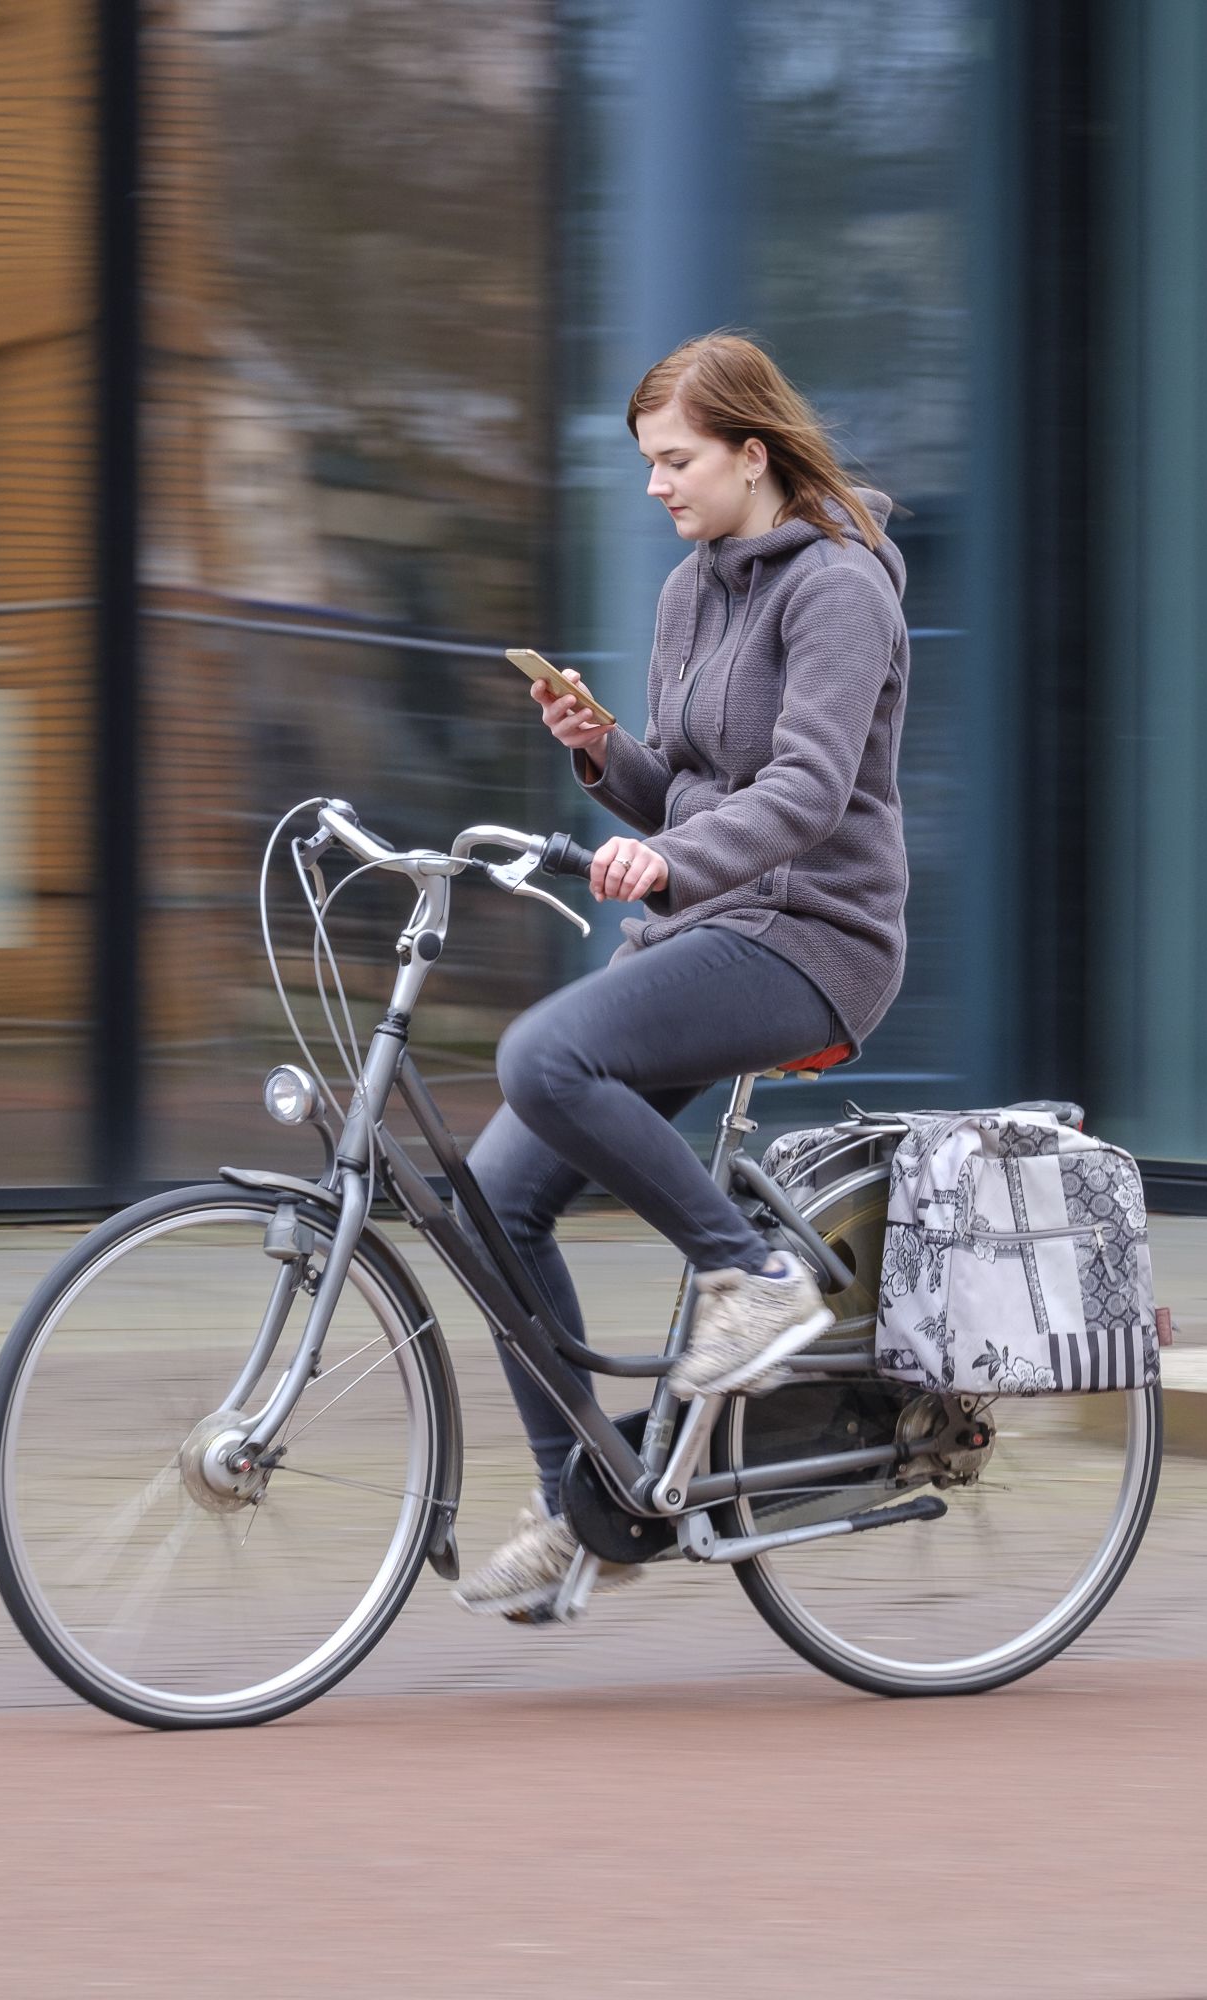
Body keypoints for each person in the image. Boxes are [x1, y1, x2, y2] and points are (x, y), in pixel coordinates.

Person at [454, 331, 913, 1620]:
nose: (656, 486)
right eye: (648, 463)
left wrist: (662, 862)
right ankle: (585, 1509)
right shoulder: (688, 592)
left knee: (543, 1055)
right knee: (494, 1210)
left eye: (677, 461)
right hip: (705, 931)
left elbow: (809, 794)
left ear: (750, 454)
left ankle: (753, 1279)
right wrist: (605, 755)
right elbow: (689, 789)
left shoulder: (840, 588)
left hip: (813, 940)